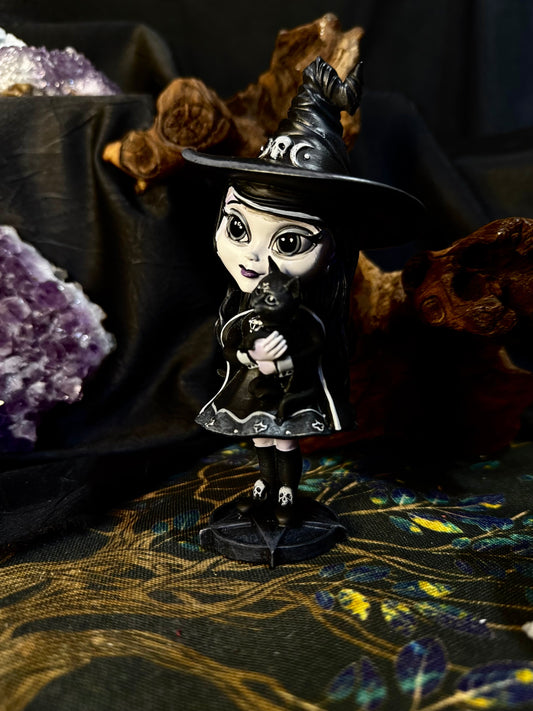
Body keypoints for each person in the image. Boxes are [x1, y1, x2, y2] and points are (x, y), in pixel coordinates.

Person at [183, 56, 425, 525]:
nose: (253, 259)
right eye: (237, 229)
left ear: (334, 248)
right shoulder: (239, 301)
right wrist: (249, 355)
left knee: (284, 440)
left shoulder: (307, 312)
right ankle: (263, 484)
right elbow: (230, 338)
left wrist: (285, 361)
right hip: (252, 387)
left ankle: (286, 491)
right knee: (259, 438)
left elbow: (316, 344)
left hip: (292, 392)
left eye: (289, 243)